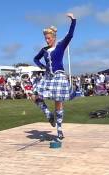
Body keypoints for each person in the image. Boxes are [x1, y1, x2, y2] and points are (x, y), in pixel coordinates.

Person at [32, 13, 76, 141]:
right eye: (46, 38)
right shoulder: (44, 50)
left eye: (49, 38)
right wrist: (41, 66)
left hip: (59, 76)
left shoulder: (61, 46)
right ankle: (48, 114)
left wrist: (73, 20)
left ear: (54, 37)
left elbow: (70, 35)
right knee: (34, 96)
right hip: (48, 77)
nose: (47, 40)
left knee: (58, 102)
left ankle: (59, 130)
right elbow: (35, 59)